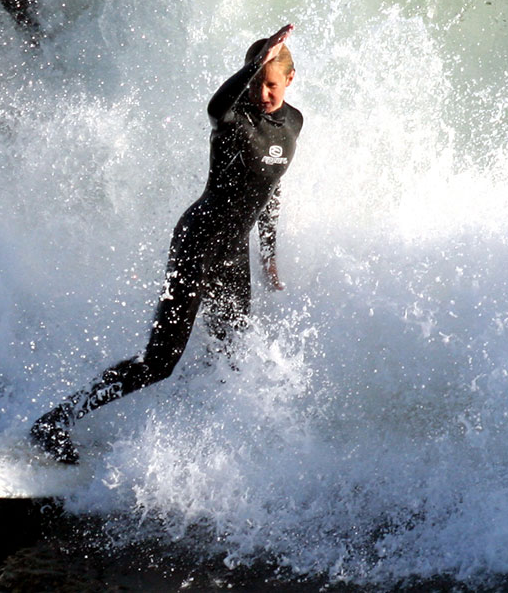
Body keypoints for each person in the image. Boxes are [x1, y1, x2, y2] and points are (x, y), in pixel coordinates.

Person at [30, 24, 303, 463]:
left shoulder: (293, 123)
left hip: (234, 254)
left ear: (289, 80)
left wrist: (269, 253)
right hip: (197, 244)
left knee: (232, 358)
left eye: (270, 85)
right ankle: (57, 420)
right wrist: (253, 64)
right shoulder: (234, 119)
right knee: (160, 362)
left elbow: (272, 188)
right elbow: (216, 106)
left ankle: (203, 456)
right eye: (255, 83)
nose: (262, 94)